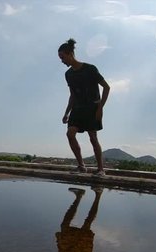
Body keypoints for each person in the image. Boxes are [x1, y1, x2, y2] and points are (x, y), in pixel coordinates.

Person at [58, 38, 110, 176]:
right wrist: (66, 113)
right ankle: (81, 166)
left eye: (62, 57)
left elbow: (106, 87)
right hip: (77, 108)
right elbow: (72, 95)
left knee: (93, 138)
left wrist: (100, 108)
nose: (62, 60)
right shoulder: (68, 74)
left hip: (92, 108)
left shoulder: (90, 69)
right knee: (70, 134)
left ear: (70, 54)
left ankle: (100, 169)